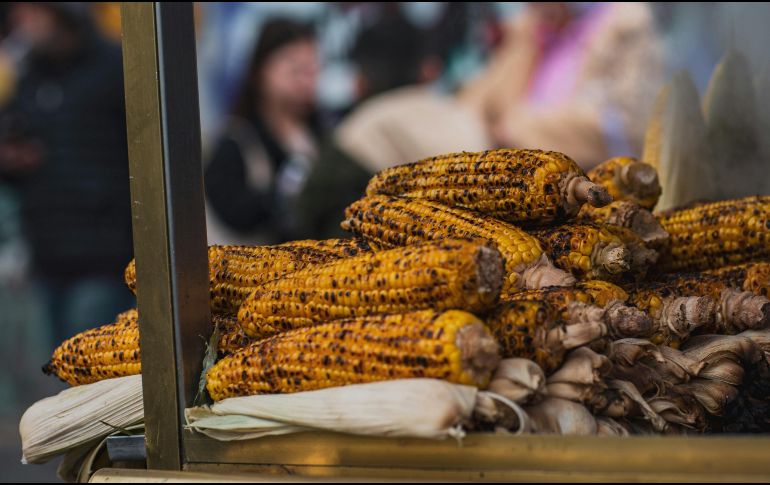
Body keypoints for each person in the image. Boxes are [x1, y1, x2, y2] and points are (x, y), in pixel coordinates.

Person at [0, 3, 134, 346]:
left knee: (90, 361)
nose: (21, 23)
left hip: (103, 256)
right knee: (59, 371)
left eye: (30, 12)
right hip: (47, 253)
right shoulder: (29, 76)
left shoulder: (113, 66)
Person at [459, 2, 664, 169]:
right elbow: (480, 102)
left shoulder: (627, 21)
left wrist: (520, 129)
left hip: (581, 178)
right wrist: (527, 44)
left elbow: (628, 124)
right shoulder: (533, 24)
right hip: (505, 161)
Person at [204, 19, 321, 245]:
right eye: (295, 71)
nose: (305, 82)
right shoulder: (237, 139)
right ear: (261, 71)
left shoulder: (322, 132)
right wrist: (282, 195)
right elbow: (234, 213)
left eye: (312, 71)